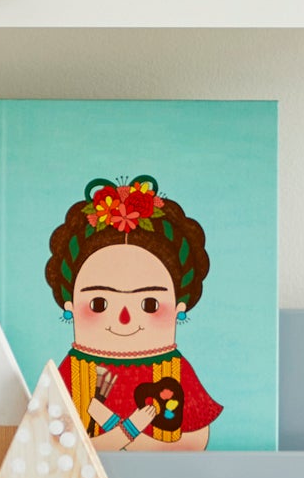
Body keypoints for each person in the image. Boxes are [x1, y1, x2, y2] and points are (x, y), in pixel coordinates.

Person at [45, 176, 223, 450]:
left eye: (149, 304)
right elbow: (53, 444)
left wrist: (118, 426)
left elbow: (195, 442)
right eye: (99, 304)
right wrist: (127, 430)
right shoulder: (73, 373)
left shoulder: (175, 372)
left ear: (179, 307)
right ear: (70, 306)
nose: (124, 318)